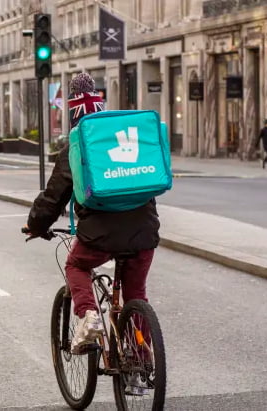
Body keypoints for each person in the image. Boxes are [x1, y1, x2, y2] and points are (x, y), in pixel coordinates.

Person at [24, 73, 160, 355]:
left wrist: (36, 226)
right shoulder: (124, 135)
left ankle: (88, 315)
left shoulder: (75, 147)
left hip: (100, 235)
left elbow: (52, 199)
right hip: (144, 231)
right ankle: (140, 359)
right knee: (136, 295)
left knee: (76, 265)